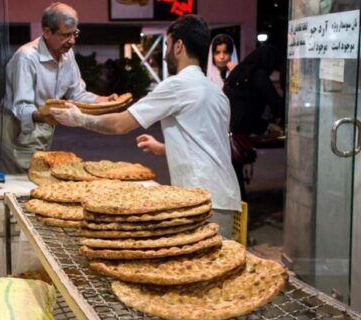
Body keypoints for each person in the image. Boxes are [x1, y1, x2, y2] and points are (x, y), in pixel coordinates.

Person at [49, 14, 241, 237]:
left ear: (179, 46)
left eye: (167, 45)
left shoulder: (178, 85)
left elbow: (120, 124)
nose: (166, 51)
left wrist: (80, 118)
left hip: (201, 198)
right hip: (226, 197)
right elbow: (210, 141)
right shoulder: (215, 92)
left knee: (199, 266)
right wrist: (164, 147)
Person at [1, 2, 117, 172]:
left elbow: (76, 93)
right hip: (21, 131)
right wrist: (44, 115)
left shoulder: (66, 53)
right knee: (25, 184)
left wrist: (103, 100)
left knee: (39, 178)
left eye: (75, 33)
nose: (72, 41)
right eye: (66, 35)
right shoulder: (26, 58)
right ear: (47, 32)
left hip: (45, 126)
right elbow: (20, 106)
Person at [223, 44, 285, 199]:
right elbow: (275, 102)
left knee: (233, 178)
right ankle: (238, 212)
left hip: (226, 130)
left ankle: (235, 211)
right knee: (237, 181)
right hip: (238, 133)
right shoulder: (258, 75)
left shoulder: (239, 72)